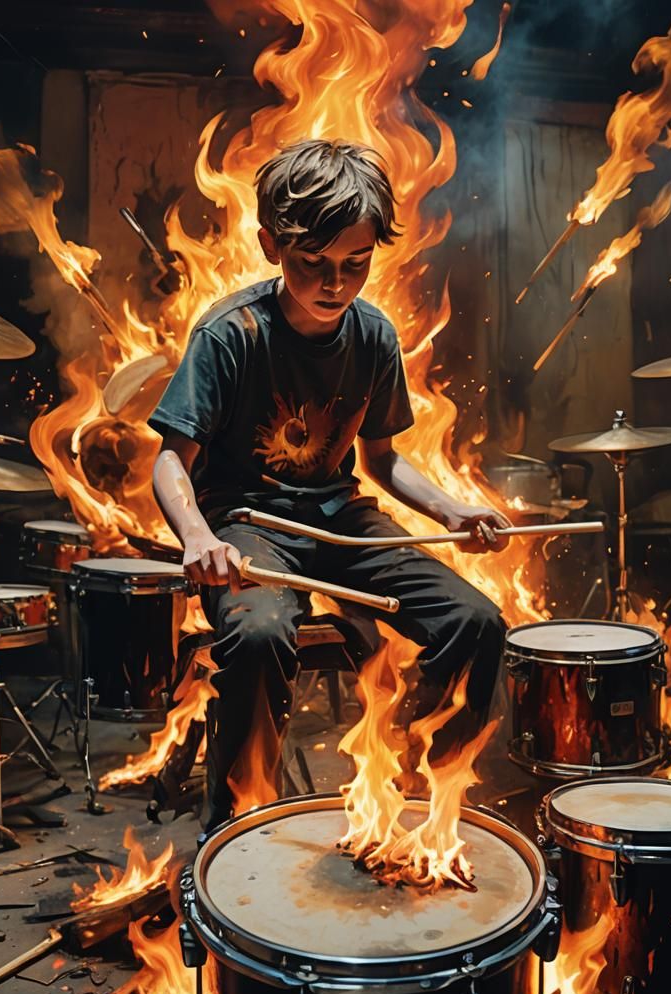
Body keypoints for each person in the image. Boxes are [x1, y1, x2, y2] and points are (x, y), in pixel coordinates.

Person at [149, 139, 509, 835]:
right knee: (257, 632)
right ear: (269, 245)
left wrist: (454, 508)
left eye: (355, 264)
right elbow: (171, 459)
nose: (335, 282)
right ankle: (238, 824)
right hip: (248, 526)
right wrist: (198, 537)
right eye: (312, 263)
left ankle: (415, 799)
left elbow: (383, 460)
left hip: (340, 517)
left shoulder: (373, 336)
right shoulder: (232, 334)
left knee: (476, 622)